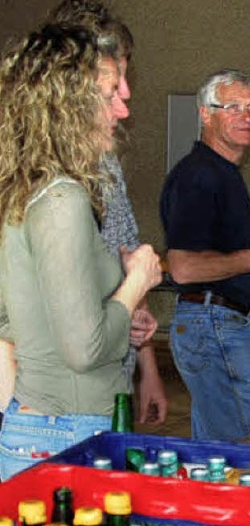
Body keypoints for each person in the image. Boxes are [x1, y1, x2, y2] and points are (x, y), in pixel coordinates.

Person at [0, 24, 162, 480]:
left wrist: (121, 308)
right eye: (111, 93)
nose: (123, 107)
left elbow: (18, 322)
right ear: (69, 104)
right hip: (66, 433)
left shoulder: (25, 188)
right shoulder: (61, 199)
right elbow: (84, 350)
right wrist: (137, 280)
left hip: (43, 428)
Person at [49, 0, 168, 425]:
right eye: (112, 84)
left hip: (108, 382)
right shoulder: (42, 180)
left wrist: (147, 364)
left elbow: (124, 257)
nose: (126, 96)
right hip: (59, 401)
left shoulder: (105, 160)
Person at [160, 69, 250, 441]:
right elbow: (184, 268)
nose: (247, 116)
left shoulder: (222, 173)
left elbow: (216, 251)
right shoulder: (199, 177)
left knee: (218, 455)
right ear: (206, 114)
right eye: (232, 107)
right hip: (214, 326)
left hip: (222, 327)